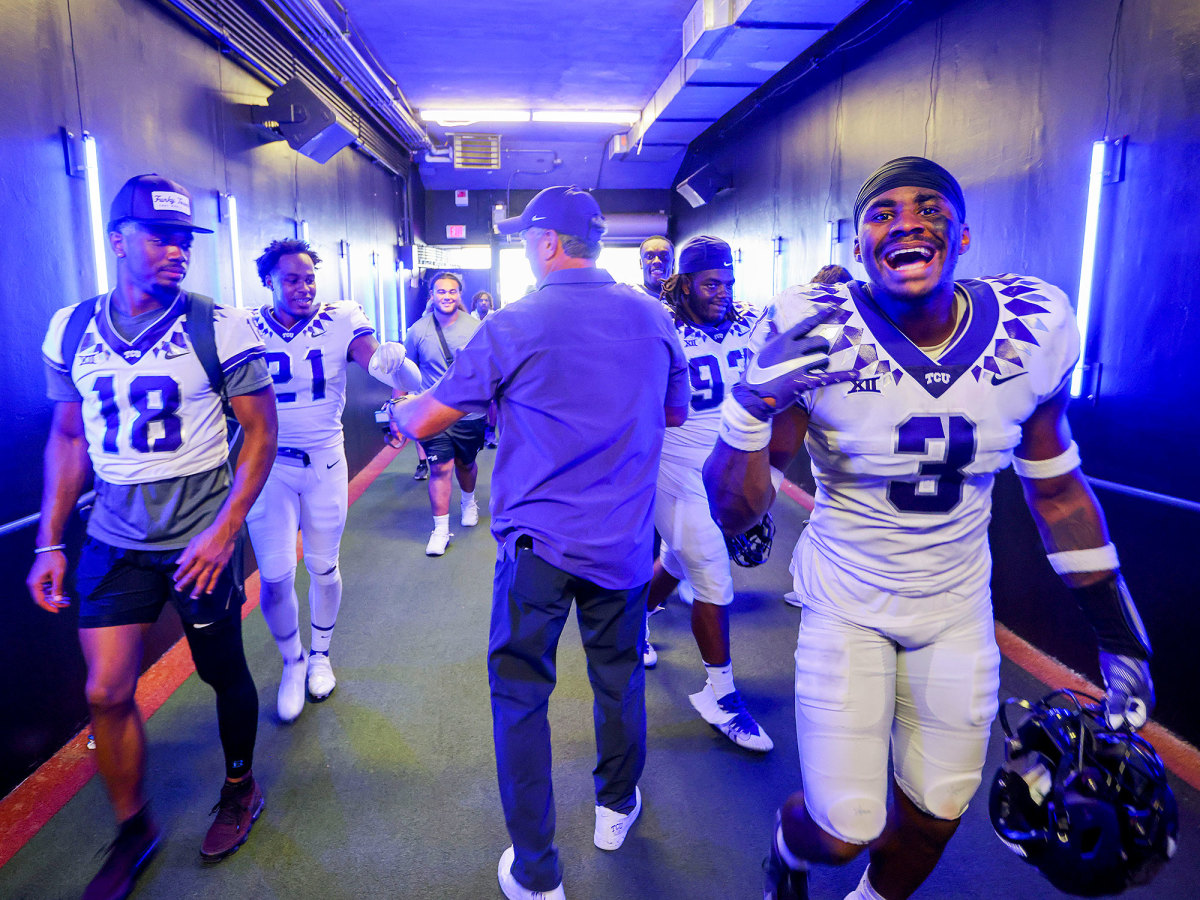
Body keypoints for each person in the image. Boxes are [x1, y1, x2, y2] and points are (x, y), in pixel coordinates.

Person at [702, 157, 1156, 900]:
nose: (907, 221)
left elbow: (1059, 493)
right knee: (844, 826)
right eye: (882, 213)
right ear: (858, 247)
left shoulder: (1032, 325)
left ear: (965, 234)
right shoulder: (813, 328)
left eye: (929, 208)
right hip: (848, 604)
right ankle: (789, 849)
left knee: (938, 813)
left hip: (955, 612)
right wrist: (751, 403)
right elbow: (736, 513)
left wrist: (1117, 635)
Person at [389, 185, 689, 900]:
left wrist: (397, 400)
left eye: (529, 236)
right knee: (619, 681)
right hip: (622, 546)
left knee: (521, 697)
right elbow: (674, 413)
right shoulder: (654, 318)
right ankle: (616, 807)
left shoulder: (515, 322)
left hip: (538, 552)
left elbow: (427, 419)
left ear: (549, 242)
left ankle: (537, 873)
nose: (526, 246)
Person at [26, 174, 278, 898]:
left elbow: (261, 434)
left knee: (220, 670)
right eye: (160, 237)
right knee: (105, 689)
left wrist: (226, 530)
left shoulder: (217, 324)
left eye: (185, 240)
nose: (177, 252)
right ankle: (133, 824)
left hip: (198, 535)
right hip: (112, 536)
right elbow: (68, 436)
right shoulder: (71, 327)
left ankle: (239, 786)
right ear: (117, 241)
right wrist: (49, 541)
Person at [246, 238, 408, 722]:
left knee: (322, 565)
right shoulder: (244, 325)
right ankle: (292, 659)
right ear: (269, 281)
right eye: (292, 279)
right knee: (274, 577)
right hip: (268, 464)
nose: (304, 287)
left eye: (310, 278)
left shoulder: (341, 317)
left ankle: (319, 654)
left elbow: (380, 363)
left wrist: (415, 390)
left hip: (324, 460)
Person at [643, 235, 773, 753]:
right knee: (713, 577)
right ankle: (720, 695)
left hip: (727, 466)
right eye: (711, 283)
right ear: (686, 282)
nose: (722, 292)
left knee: (677, 559)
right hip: (676, 467)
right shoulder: (660, 325)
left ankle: (633, 627)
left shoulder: (749, 321)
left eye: (728, 282)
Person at [402, 271, 486, 555]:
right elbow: (404, 375)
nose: (447, 296)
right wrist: (398, 410)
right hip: (432, 412)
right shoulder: (417, 330)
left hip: (468, 414)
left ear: (459, 294)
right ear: (432, 296)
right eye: (441, 291)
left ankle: (468, 500)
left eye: (452, 291)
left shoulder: (476, 327)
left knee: (465, 464)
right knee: (439, 468)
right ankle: (440, 530)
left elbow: (487, 371)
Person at [637, 235, 674, 299]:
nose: (657, 261)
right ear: (641, 263)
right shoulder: (630, 300)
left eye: (664, 256)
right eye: (649, 256)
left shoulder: (687, 302)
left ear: (673, 263)